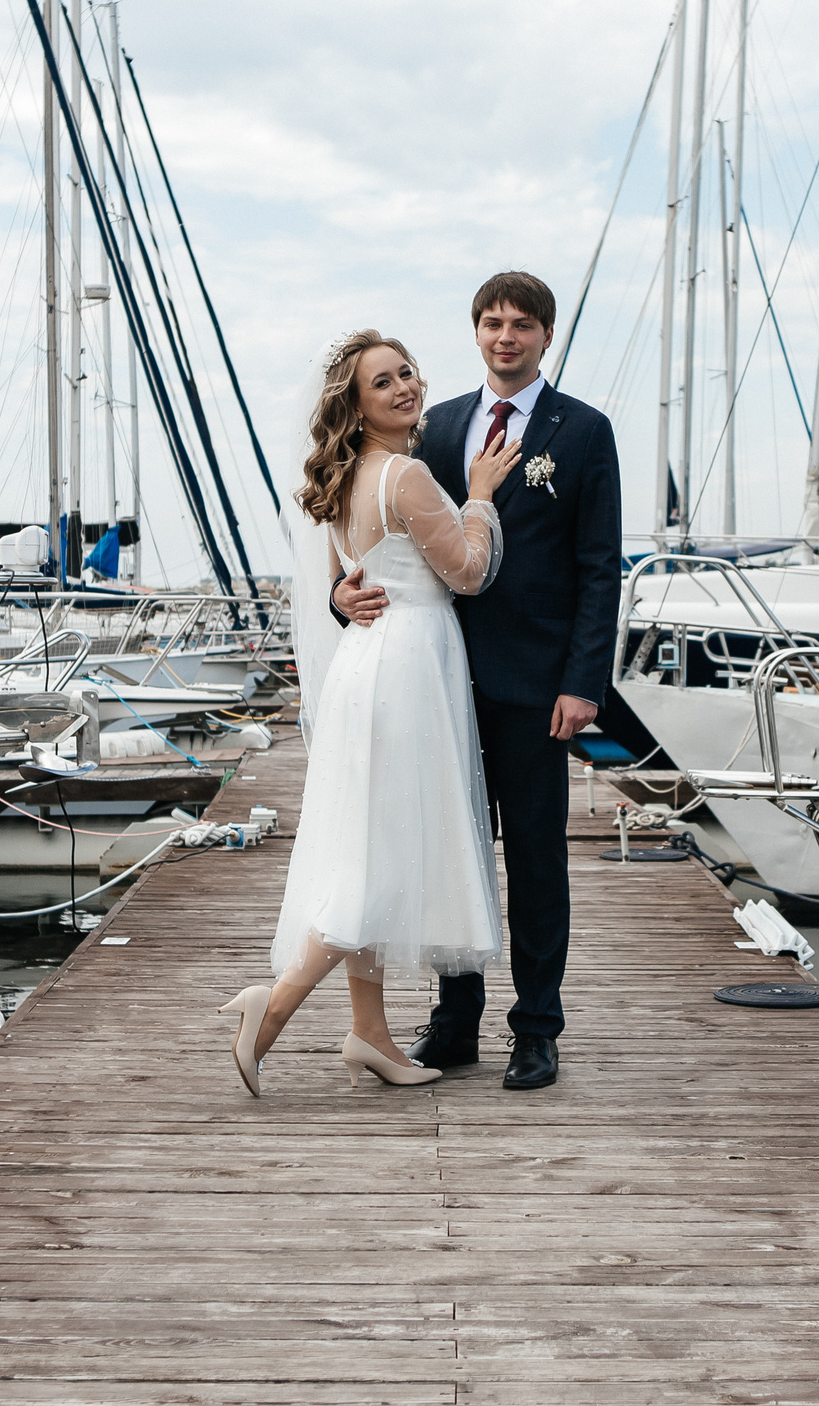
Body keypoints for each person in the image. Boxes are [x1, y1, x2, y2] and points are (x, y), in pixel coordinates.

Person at [335, 272, 622, 1090]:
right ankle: (455, 1021)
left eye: (522, 324)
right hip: (437, 679)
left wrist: (583, 682)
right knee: (448, 850)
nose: (506, 336)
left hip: (536, 686)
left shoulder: (584, 431)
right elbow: (381, 534)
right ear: (476, 331)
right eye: (493, 322)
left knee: (535, 860)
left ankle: (536, 1028)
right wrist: (337, 597)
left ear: (545, 335)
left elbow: (599, 566)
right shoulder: (436, 427)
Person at [218, 329, 523, 1095]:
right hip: (409, 666)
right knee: (383, 855)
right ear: (356, 407)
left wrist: (342, 595)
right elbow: (468, 572)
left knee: (365, 843)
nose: (403, 387)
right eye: (382, 382)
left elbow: (340, 580)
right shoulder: (405, 475)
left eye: (406, 372)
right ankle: (273, 1007)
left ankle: (371, 1031)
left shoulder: (342, 478)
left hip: (366, 663)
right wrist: (480, 495)